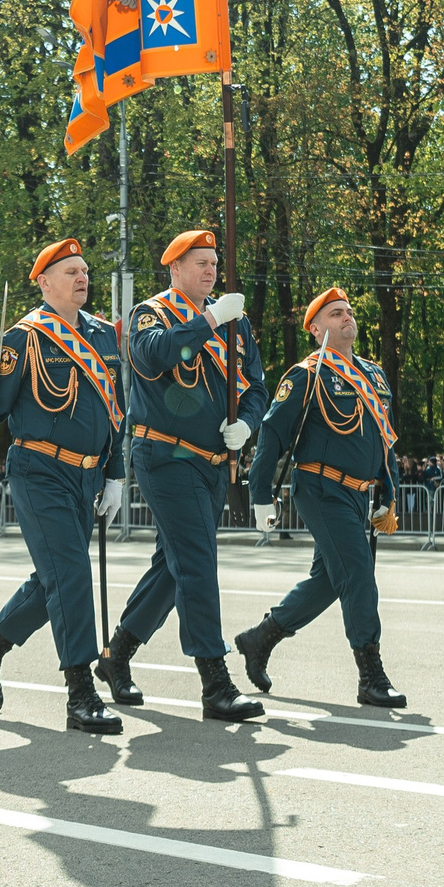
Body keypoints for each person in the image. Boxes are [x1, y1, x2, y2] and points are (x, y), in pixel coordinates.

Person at [0, 240, 127, 733]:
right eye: (70, 271)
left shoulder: (102, 335)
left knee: (54, 577)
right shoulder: (22, 339)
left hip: (86, 475)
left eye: (85, 270)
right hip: (39, 471)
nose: (82, 277)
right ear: (44, 283)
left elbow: (115, 411)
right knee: (71, 573)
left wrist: (114, 472)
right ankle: (80, 693)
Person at [97, 228, 266, 721]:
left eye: (214, 262)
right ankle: (215, 681)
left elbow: (255, 386)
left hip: (212, 463)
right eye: (200, 263)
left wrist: (247, 424)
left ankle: (117, 654)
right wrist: (210, 320)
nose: (211, 270)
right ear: (175, 269)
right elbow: (153, 355)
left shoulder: (237, 322)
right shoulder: (151, 313)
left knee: (172, 570)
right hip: (166, 457)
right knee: (196, 563)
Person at [235, 288, 403, 709]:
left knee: (329, 581)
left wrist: (389, 491)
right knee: (358, 572)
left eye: (348, 311)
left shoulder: (374, 376)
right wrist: (260, 495)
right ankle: (371, 675)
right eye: (335, 314)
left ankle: (260, 639)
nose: (346, 317)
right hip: (321, 488)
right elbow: (272, 433)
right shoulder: (306, 375)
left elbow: (384, 440)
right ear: (315, 328)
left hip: (358, 493)